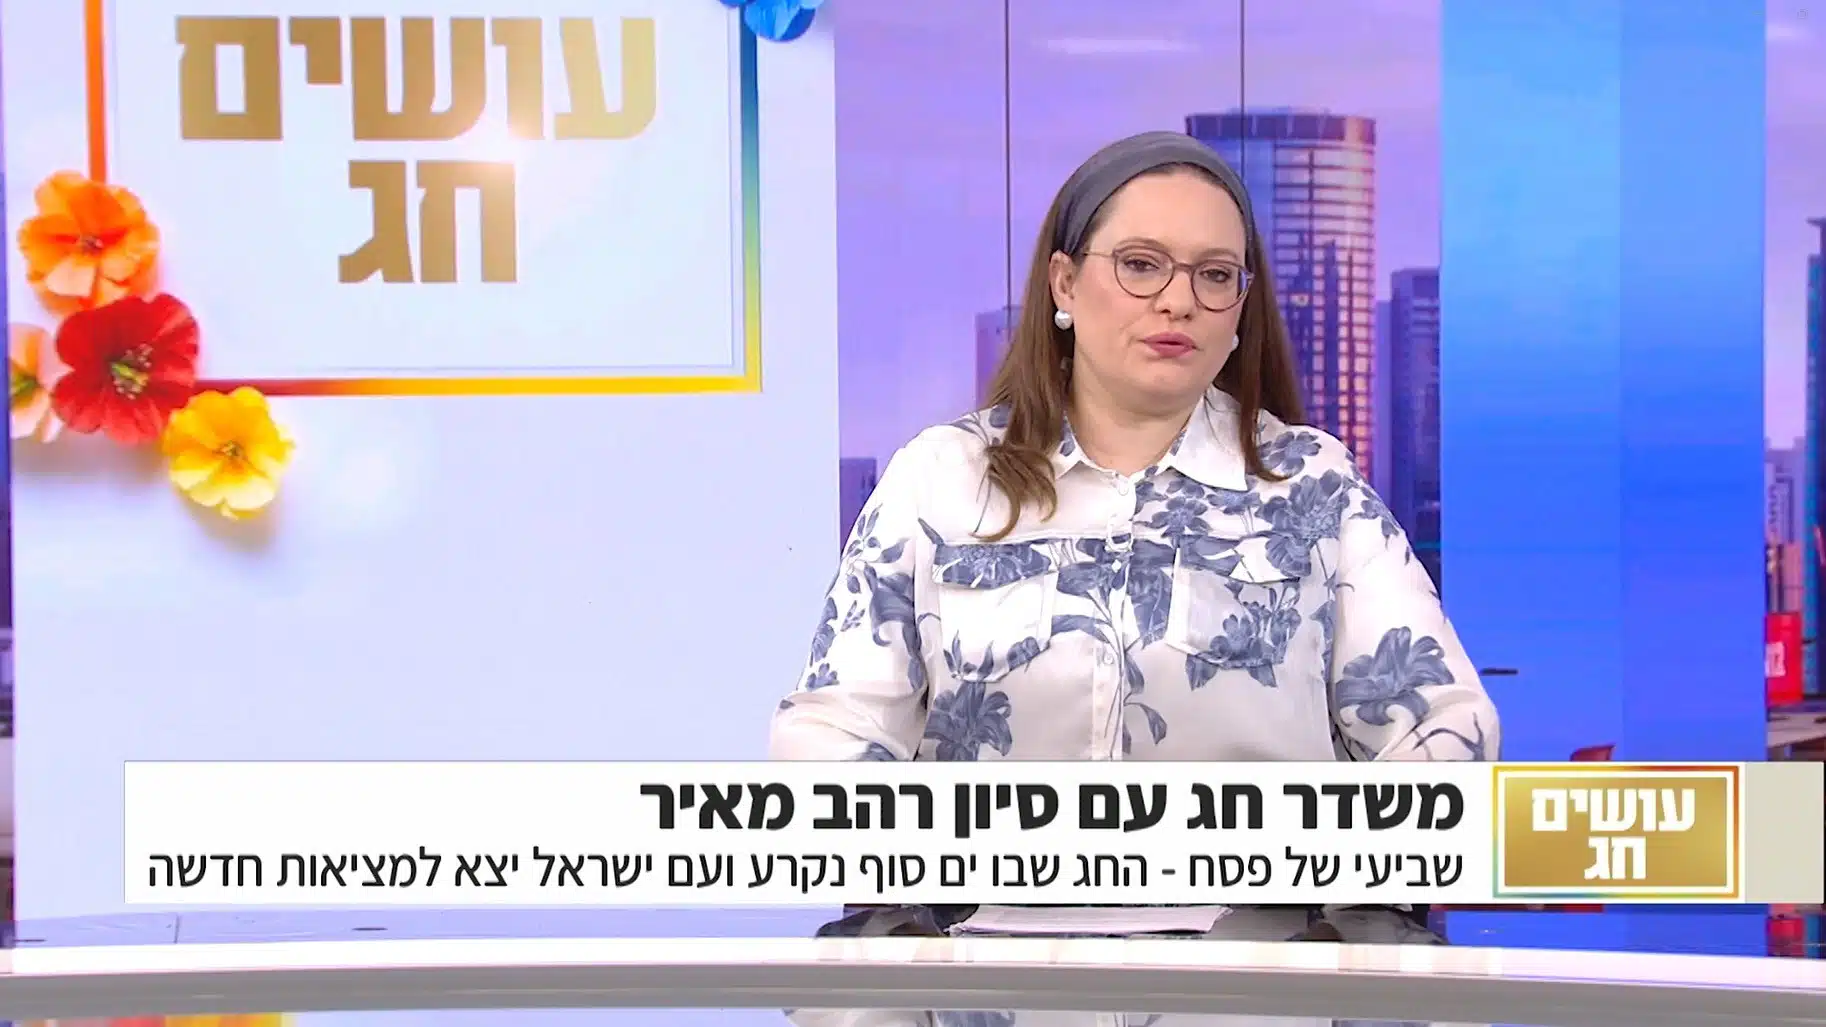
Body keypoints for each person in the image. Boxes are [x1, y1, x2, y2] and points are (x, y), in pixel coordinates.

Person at [770, 132, 1497, 941]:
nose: (1179, 300)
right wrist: (904, 912)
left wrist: (1343, 912)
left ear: (1240, 309)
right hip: (981, 970)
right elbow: (835, 732)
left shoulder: (1312, 486)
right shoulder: (941, 479)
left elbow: (1442, 728)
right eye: (1142, 264)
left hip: (1262, 977)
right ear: (1064, 283)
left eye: (1214, 276)